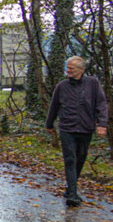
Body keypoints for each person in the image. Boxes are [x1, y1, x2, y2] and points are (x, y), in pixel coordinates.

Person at [45, 56, 108, 207]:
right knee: (70, 159)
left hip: (86, 128)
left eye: (71, 69)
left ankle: (70, 187)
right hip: (67, 128)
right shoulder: (62, 86)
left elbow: (101, 104)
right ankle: (72, 193)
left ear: (81, 69)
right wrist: (49, 124)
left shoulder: (93, 83)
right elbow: (54, 106)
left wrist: (102, 124)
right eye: (67, 68)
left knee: (80, 158)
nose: (68, 71)